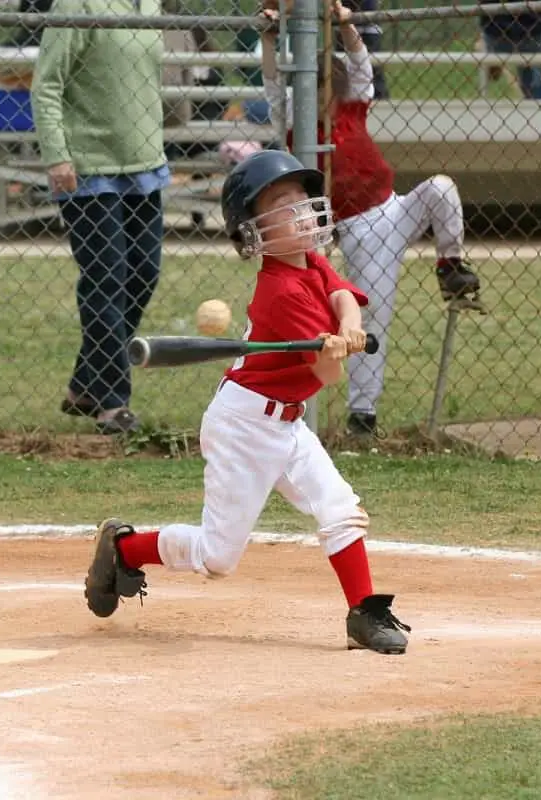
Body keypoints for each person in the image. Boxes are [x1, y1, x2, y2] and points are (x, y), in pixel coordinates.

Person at [81, 149, 412, 655]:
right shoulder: (279, 292)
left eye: (302, 198)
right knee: (217, 558)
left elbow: (342, 293)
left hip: (286, 422)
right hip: (244, 426)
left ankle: (364, 613)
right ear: (255, 231)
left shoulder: (312, 263)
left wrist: (347, 328)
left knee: (340, 509)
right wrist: (333, 353)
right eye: (283, 203)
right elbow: (326, 374)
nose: (301, 210)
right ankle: (123, 548)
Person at [262, 0, 481, 437]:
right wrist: (270, 38)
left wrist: (344, 24)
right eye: (320, 85)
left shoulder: (352, 109)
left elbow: (361, 64)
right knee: (370, 313)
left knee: (440, 187)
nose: (327, 92)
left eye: (329, 83)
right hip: (362, 227)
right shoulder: (293, 120)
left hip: (391, 206)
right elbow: (271, 82)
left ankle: (451, 265)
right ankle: (363, 414)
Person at [31, 0, 169, 435]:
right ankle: (112, 402)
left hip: (144, 162)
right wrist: (57, 156)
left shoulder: (149, 4)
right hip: (88, 168)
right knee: (106, 279)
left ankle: (85, 384)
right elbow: (46, 84)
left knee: (142, 274)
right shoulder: (77, 4)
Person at [478, 9, 541, 100]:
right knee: (531, 54)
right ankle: (535, 98)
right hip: (539, 33)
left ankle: (492, 51)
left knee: (487, 19)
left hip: (496, 33)